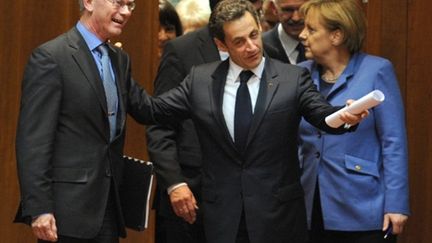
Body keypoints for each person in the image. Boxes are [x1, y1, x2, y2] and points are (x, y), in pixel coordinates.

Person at [147, 0, 367, 242]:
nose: (251, 47)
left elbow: (322, 114)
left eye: (254, 35)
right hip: (220, 212)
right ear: (222, 45)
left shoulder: (288, 74)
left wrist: (344, 117)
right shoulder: (199, 75)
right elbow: (156, 113)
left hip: (277, 214)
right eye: (239, 41)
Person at [14, 0, 157, 242]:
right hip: (65, 213)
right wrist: (39, 208)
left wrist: (199, 86)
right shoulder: (51, 57)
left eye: (130, 5)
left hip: (109, 207)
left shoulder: (119, 59)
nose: (125, 11)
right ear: (89, 2)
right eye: (118, 2)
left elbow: (148, 109)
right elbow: (33, 142)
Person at [146, 0, 263, 242]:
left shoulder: (261, 48)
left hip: (246, 200)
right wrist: (175, 183)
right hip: (191, 194)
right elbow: (159, 125)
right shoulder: (181, 50)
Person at [297, 0, 409, 243]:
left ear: (336, 35)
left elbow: (393, 142)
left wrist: (397, 204)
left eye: (312, 29)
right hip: (309, 202)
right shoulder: (299, 74)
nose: (303, 35)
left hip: (362, 203)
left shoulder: (377, 70)